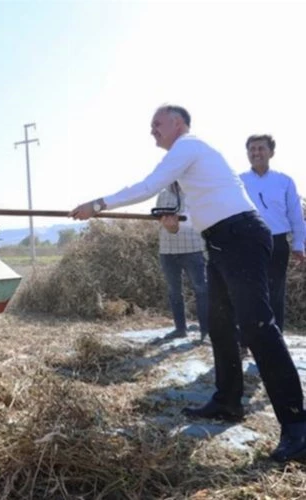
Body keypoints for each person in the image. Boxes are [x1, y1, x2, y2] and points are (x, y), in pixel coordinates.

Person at [69, 104, 306, 463]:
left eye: (156, 124)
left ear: (177, 123)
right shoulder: (195, 162)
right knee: (220, 325)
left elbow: (150, 185)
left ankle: (297, 428)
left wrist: (98, 204)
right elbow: (208, 212)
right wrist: (176, 220)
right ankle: (228, 401)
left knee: (258, 328)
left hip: (242, 235)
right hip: (223, 239)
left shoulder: (189, 146)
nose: (152, 131)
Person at [239, 134, 305, 334]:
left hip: (277, 242)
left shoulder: (284, 181)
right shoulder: (238, 181)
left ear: (271, 152)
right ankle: (245, 340)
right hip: (247, 243)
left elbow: (295, 215)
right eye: (252, 149)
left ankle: (276, 339)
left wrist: (299, 245)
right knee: (246, 292)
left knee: (275, 292)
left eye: (261, 148)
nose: (256, 153)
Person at [154, 182, 209, 342]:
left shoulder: (195, 192)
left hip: (193, 248)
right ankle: (180, 329)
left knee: (202, 290)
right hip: (167, 249)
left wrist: (178, 225)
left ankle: (206, 332)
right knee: (174, 291)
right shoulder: (162, 194)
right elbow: (160, 220)